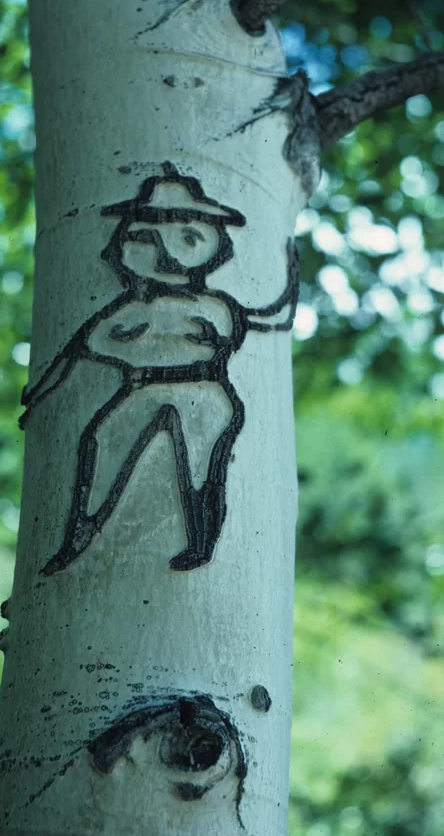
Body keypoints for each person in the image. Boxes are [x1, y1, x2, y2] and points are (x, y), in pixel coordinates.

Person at [20, 163, 298, 574]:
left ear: (210, 244)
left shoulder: (213, 307)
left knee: (203, 469)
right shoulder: (129, 310)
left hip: (204, 393)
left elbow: (254, 321)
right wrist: (37, 399)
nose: (165, 253)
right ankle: (79, 534)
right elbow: (73, 357)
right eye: (147, 239)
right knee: (101, 438)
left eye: (187, 238)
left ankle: (202, 543)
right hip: (141, 390)